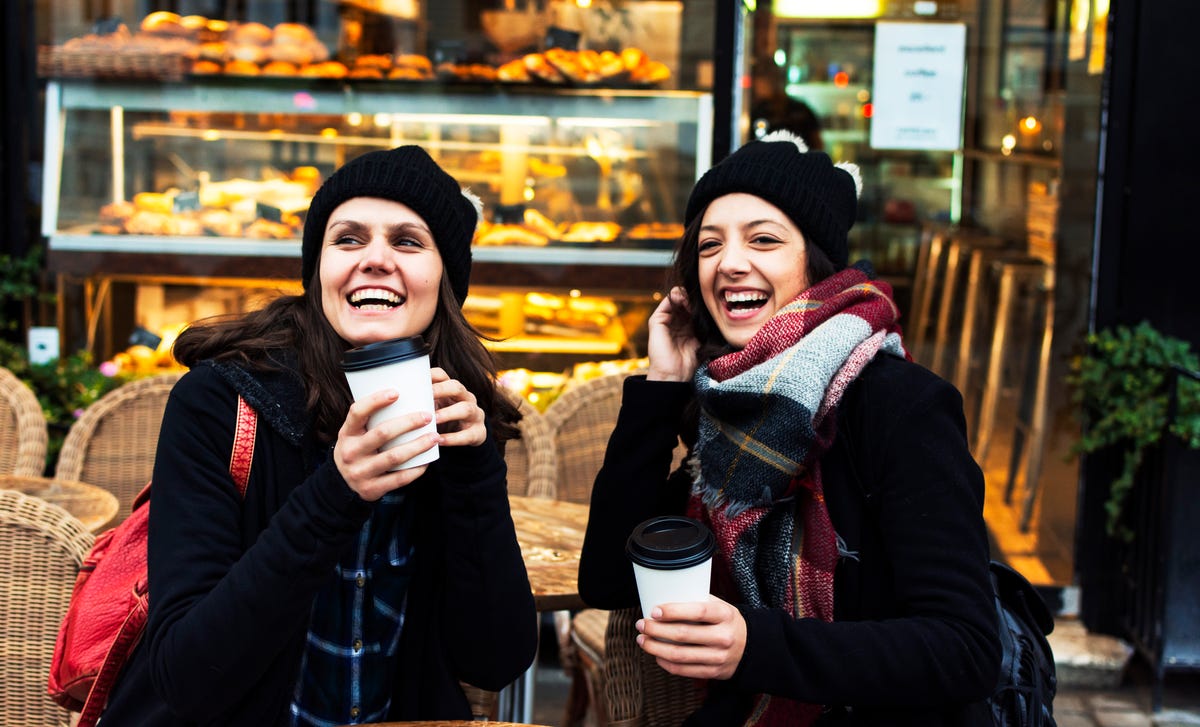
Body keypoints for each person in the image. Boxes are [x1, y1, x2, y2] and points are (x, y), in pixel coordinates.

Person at [101, 146, 539, 726]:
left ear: (445, 279)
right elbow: (186, 677)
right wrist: (338, 490)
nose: (375, 260)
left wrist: (475, 472)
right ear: (318, 270)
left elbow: (494, 660)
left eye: (407, 241)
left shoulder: (457, 414)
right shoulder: (219, 403)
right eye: (348, 239)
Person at [577, 130, 1001, 726]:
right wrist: (660, 390)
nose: (729, 264)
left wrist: (756, 647)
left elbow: (967, 650)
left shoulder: (900, 407)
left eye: (764, 240)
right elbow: (608, 578)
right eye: (709, 245)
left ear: (816, 263)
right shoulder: (724, 408)